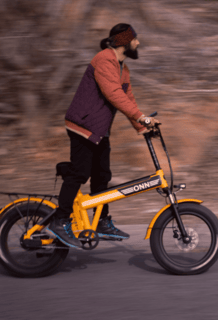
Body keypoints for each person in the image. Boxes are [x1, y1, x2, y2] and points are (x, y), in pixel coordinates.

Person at [48, 23, 159, 248]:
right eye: (135, 39)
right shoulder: (104, 60)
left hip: (98, 129)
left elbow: (128, 100)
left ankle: (100, 221)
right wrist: (142, 117)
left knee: (102, 175)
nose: (138, 43)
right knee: (80, 173)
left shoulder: (122, 68)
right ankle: (59, 220)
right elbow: (114, 95)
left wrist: (143, 127)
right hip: (82, 125)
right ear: (125, 42)